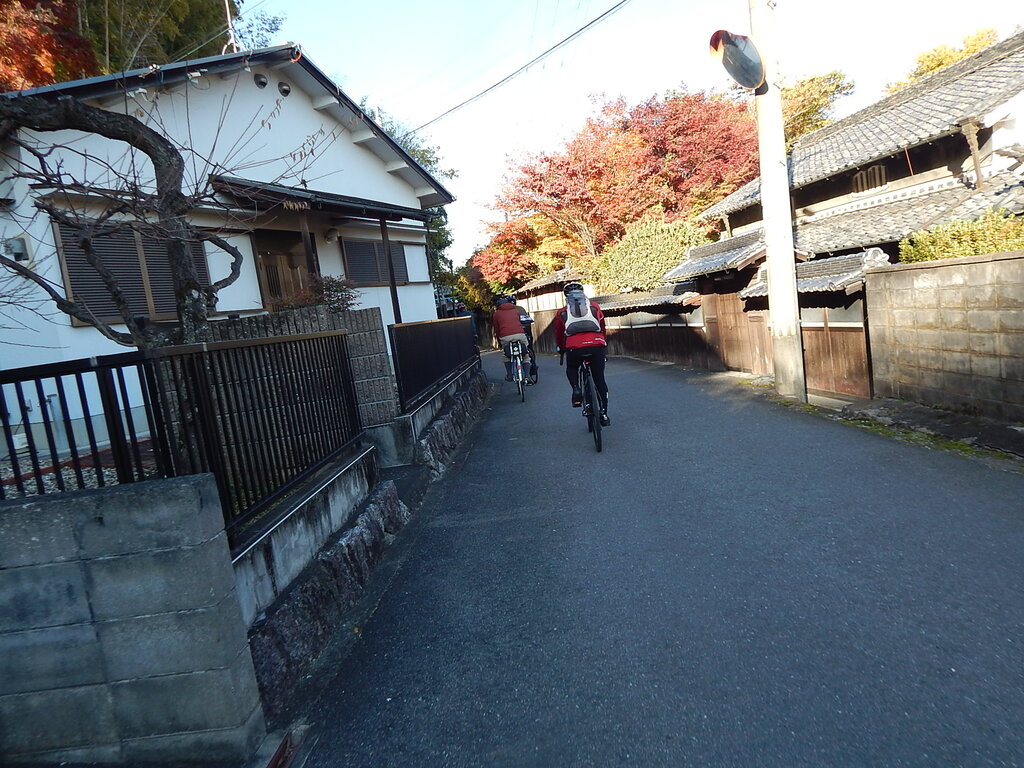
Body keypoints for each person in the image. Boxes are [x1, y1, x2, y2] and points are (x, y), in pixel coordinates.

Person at [554, 281, 610, 426]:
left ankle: (576, 389)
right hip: (596, 345)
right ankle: (604, 413)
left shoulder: (562, 312)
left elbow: (559, 333)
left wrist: (561, 347)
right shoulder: (595, 306)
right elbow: (602, 326)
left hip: (574, 347)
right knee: (599, 379)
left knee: (572, 368)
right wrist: (603, 341)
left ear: (566, 296)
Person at [492, 295, 530, 382]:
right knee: (525, 355)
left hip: (506, 336)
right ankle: (527, 376)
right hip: (520, 334)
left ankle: (510, 375)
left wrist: (499, 340)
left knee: (506, 356)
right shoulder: (516, 311)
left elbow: (497, 329)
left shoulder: (496, 314)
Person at [511, 297, 538, 381]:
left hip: (512, 334)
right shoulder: (521, 309)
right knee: (529, 348)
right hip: (525, 331)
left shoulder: (505, 312)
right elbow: (527, 321)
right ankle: (532, 365)